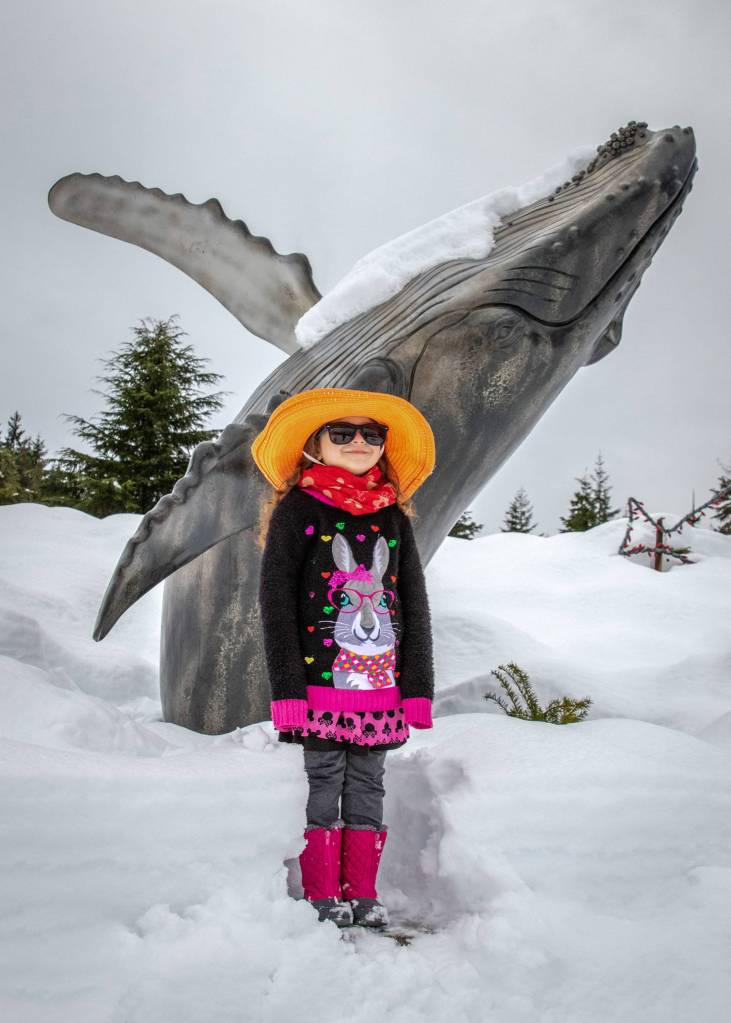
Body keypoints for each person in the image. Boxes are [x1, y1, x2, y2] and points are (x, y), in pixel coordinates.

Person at [251, 387, 436, 929]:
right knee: (324, 779)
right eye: (343, 432)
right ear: (315, 445)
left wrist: (417, 688)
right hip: (318, 690)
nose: (359, 441)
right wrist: (287, 691)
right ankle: (322, 892)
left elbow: (414, 604)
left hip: (380, 691)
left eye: (371, 433)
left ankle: (364, 892)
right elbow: (276, 603)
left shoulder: (392, 518)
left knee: (368, 783)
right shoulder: (299, 510)